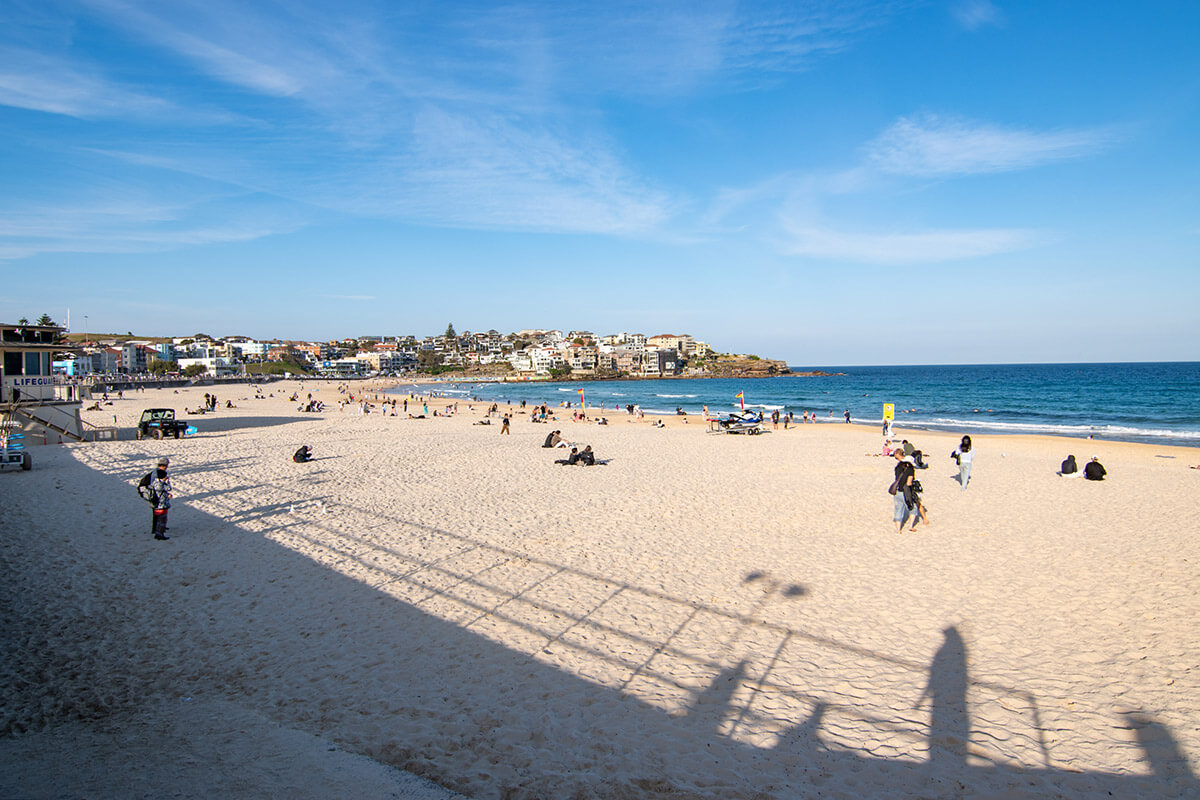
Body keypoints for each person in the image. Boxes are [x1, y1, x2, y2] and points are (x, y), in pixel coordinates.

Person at [137, 457, 172, 540]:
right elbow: (161, 487)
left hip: (152, 495)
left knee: (156, 512)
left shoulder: (154, 472)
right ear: (165, 466)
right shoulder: (160, 474)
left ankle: (155, 529)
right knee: (160, 515)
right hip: (157, 497)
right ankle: (159, 531)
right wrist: (167, 491)